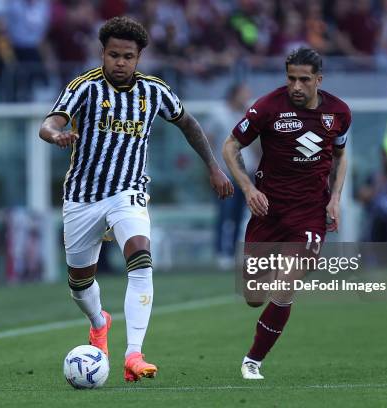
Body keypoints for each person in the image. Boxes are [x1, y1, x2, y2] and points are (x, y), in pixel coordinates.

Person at [38, 16, 232, 382]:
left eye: (128, 56)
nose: (120, 63)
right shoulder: (84, 87)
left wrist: (213, 166)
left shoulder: (155, 91)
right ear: (103, 54)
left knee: (141, 260)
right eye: (114, 55)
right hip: (82, 197)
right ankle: (99, 322)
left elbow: (188, 123)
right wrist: (55, 135)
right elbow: (49, 122)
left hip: (129, 191)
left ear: (140, 56)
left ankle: (133, 354)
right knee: (79, 285)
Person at [223, 47, 351, 379]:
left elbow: (340, 156)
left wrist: (335, 199)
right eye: (291, 78)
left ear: (318, 80)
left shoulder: (339, 113)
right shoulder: (267, 107)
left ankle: (253, 361)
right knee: (253, 296)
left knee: (287, 282)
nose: (296, 85)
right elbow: (230, 146)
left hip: (309, 214)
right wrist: (249, 189)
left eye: (304, 80)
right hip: (269, 212)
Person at [205, 83, 259, 268]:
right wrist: (211, 168)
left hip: (247, 174)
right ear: (234, 94)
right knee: (224, 214)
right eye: (245, 94)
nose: (247, 98)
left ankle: (234, 252)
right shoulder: (217, 112)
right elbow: (207, 140)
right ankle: (222, 253)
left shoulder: (247, 115)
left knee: (239, 215)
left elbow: (254, 144)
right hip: (225, 173)